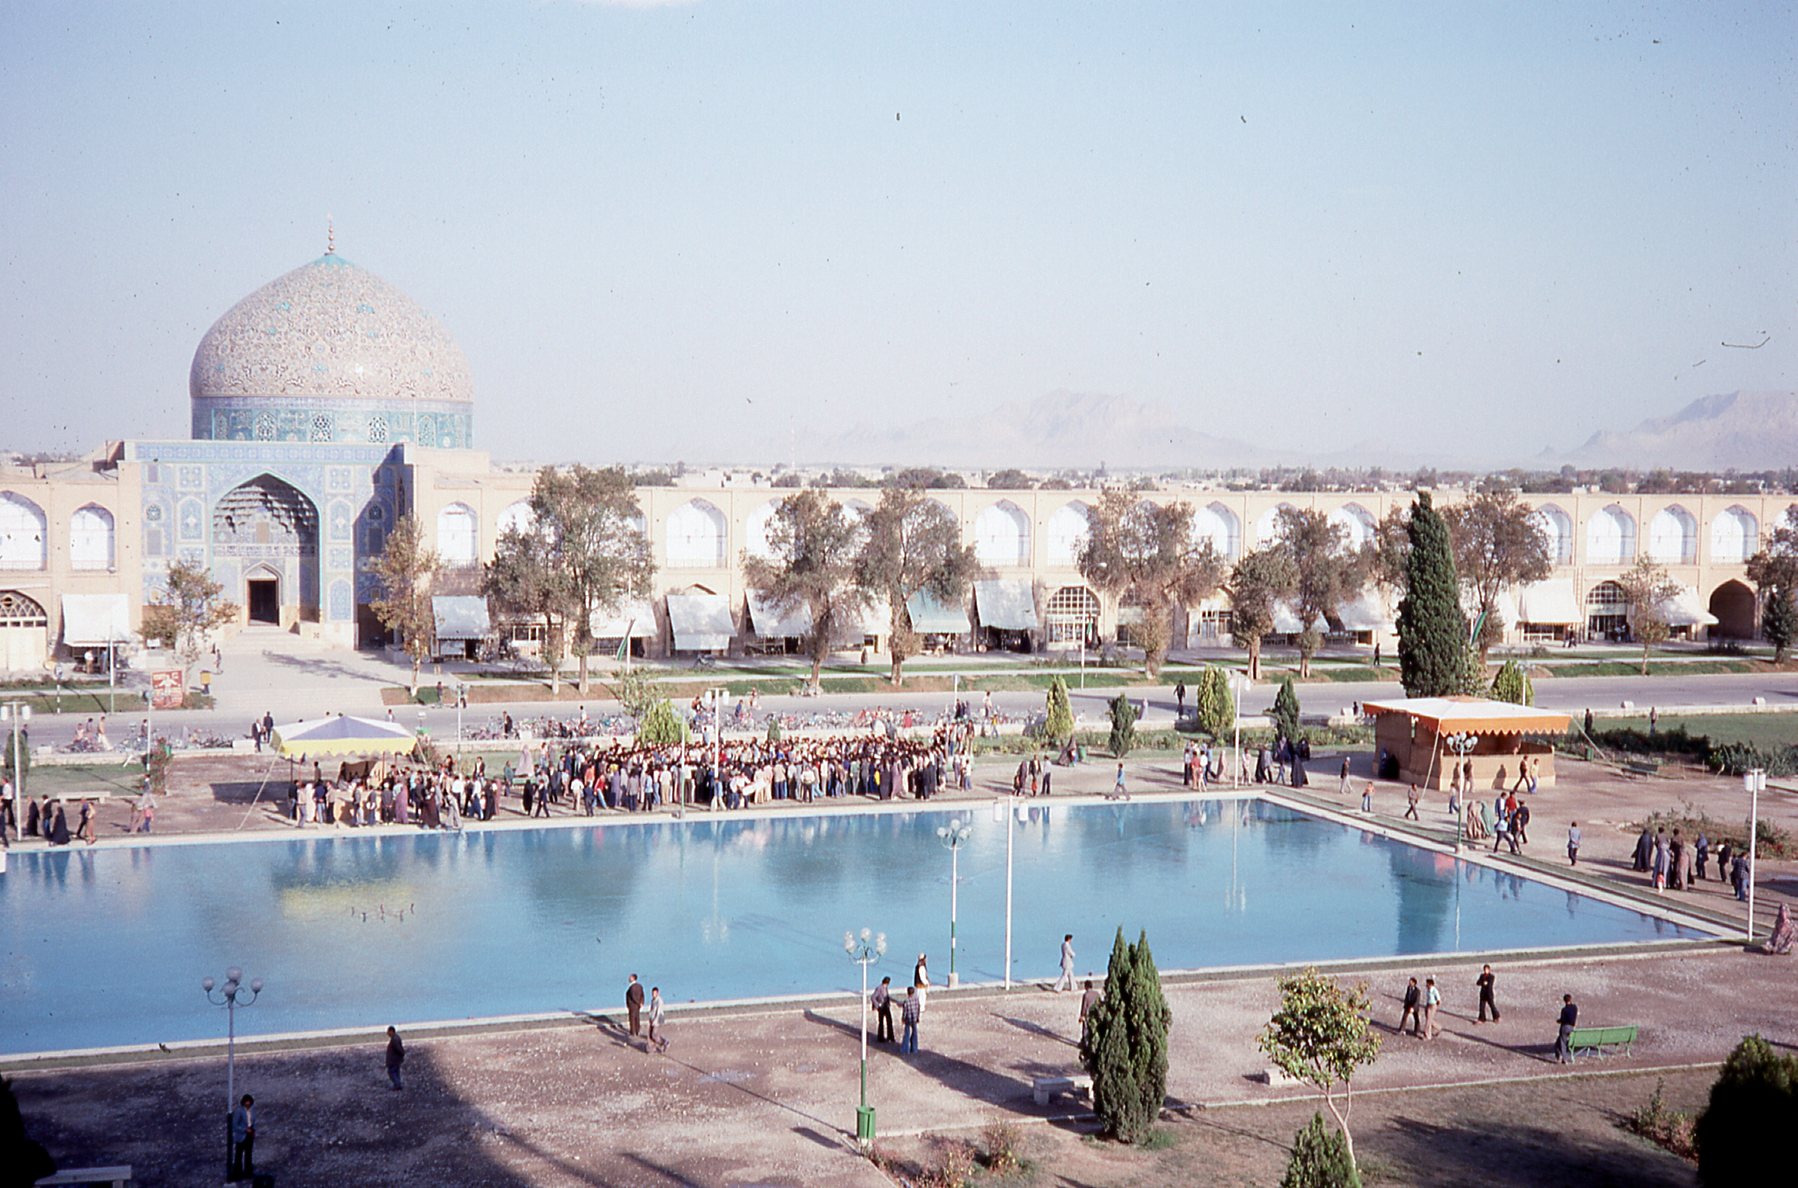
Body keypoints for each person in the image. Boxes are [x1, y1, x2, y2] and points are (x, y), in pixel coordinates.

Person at [229, 1094, 255, 1181]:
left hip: (249, 1135)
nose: (248, 1104)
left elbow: (253, 1121)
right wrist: (244, 1130)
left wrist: (252, 1130)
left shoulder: (251, 1110)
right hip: (241, 1136)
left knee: (248, 1154)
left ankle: (248, 1172)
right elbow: (235, 1125)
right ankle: (238, 1172)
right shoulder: (239, 1111)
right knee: (239, 1155)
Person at [1555, 994, 1579, 1063]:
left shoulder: (1564, 1010)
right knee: (1558, 1042)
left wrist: (1558, 1021)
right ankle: (1558, 1055)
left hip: (1565, 1027)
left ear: (1564, 1001)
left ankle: (1563, 1058)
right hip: (1572, 1027)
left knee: (1562, 1042)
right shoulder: (1574, 1008)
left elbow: (1563, 1020)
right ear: (1570, 999)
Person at [871, 976, 895, 1043]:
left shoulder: (885, 988)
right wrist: (877, 1005)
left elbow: (887, 997)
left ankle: (890, 1037)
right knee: (881, 1022)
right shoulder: (879, 988)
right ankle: (881, 1037)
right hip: (881, 1007)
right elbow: (873, 997)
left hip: (886, 1006)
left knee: (889, 1021)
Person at [900, 985, 921, 1055]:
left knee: (907, 1034)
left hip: (908, 1019)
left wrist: (903, 1019)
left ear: (907, 993)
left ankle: (905, 1049)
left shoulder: (906, 1001)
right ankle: (914, 1049)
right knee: (915, 1034)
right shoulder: (916, 1000)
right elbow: (918, 1009)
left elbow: (905, 1012)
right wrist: (918, 1017)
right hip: (914, 1018)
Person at [647, 986, 669, 1053]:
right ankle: (653, 1047)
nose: (653, 995)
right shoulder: (653, 1000)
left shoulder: (659, 1001)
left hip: (657, 1019)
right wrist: (650, 1018)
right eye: (652, 993)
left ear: (657, 993)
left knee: (654, 1034)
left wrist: (655, 1020)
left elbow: (658, 1011)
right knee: (651, 1034)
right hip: (652, 1018)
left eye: (654, 993)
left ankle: (664, 1042)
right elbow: (652, 1010)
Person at [385, 1025, 405, 1090]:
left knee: (392, 1072)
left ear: (391, 1031)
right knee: (396, 1072)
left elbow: (399, 1049)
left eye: (388, 1032)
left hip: (393, 1060)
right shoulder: (396, 1038)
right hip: (395, 1060)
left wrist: (402, 1054)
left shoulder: (394, 1039)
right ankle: (398, 1084)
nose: (387, 1033)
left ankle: (397, 1084)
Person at [625, 973, 644, 1038]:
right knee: (637, 1018)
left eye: (630, 977)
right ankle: (637, 1030)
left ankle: (633, 1032)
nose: (629, 978)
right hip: (637, 1005)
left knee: (632, 1019)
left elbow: (633, 997)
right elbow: (642, 995)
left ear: (633, 978)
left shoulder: (632, 987)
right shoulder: (640, 986)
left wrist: (638, 1003)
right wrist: (641, 1003)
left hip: (632, 1005)